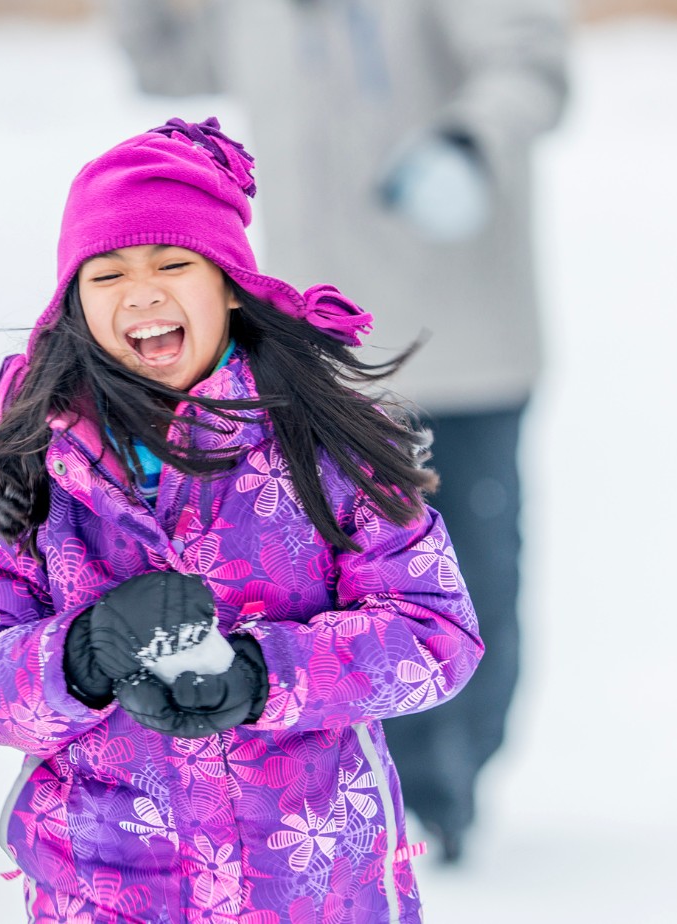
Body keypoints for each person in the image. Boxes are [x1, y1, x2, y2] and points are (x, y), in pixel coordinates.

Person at [0, 117, 480, 923]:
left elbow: (435, 635)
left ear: (230, 285)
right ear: (71, 304)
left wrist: (265, 675)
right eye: (107, 276)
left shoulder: (320, 442)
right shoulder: (28, 466)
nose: (142, 293)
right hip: (106, 885)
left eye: (173, 263)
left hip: (311, 884)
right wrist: (80, 656)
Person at [107, 0, 569, 862]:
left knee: (468, 573)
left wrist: (467, 141)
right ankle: (379, 783)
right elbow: (168, 66)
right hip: (322, 359)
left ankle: (451, 783)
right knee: (329, 580)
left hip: (465, 349)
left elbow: (534, 65)